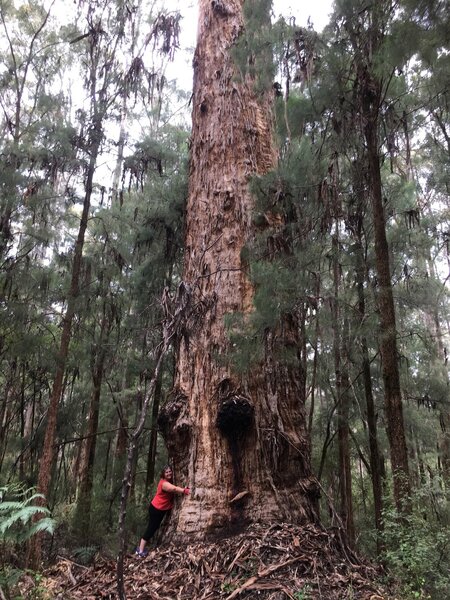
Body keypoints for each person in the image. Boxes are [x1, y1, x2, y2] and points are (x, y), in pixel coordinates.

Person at [135, 465, 189, 557]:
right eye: (166, 472)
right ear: (163, 474)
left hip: (160, 508)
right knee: (151, 529)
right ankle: (140, 551)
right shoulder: (164, 483)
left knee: (154, 528)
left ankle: (140, 548)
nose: (169, 473)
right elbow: (174, 489)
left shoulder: (169, 481)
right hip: (156, 509)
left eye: (170, 471)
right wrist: (185, 490)